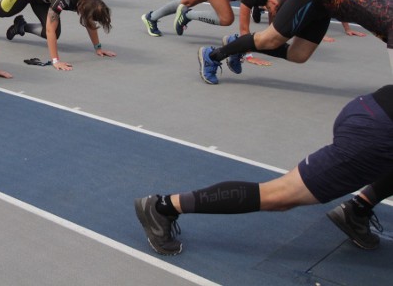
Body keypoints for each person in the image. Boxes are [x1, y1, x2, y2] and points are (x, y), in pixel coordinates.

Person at [134, 84, 393, 256]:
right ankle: (162, 207)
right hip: (378, 133)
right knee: (280, 196)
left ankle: (359, 209)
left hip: (368, 106)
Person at [197, 0, 393, 85]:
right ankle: (212, 55)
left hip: (327, 6)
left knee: (298, 55)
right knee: (271, 39)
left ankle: (237, 44)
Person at [141, 0, 284, 63]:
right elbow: (244, 28)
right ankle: (187, 15)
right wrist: (248, 55)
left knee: (187, 1)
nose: (270, 12)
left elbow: (274, 16)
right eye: (271, 10)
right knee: (227, 18)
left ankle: (151, 17)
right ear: (272, 2)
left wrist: (273, 39)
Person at [0, 0, 115, 70]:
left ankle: (21, 26)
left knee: (55, 33)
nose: (91, 21)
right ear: (82, 10)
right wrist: (56, 61)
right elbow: (50, 29)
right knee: (1, 11)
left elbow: (89, 22)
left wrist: (98, 48)